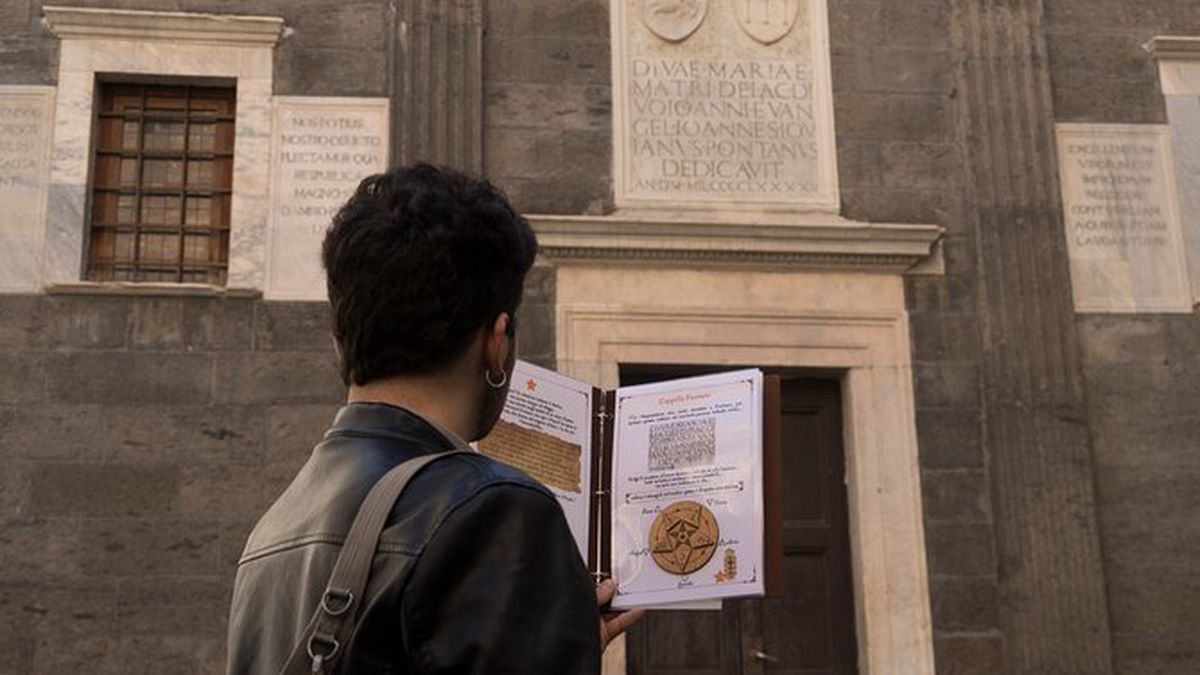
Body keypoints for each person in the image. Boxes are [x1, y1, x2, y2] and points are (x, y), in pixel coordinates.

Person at [226, 164, 642, 674]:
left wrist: (553, 640)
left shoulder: (274, 529)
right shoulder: (494, 511)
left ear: (339, 343)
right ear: (496, 343)